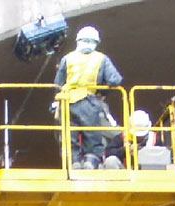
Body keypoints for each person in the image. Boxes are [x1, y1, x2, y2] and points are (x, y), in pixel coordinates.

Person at [51, 25, 122, 169]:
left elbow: (58, 84)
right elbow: (115, 80)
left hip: (67, 102)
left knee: (70, 138)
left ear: (78, 41)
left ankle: (75, 164)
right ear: (95, 42)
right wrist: (102, 92)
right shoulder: (101, 59)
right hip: (90, 101)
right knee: (93, 138)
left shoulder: (67, 58)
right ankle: (90, 163)